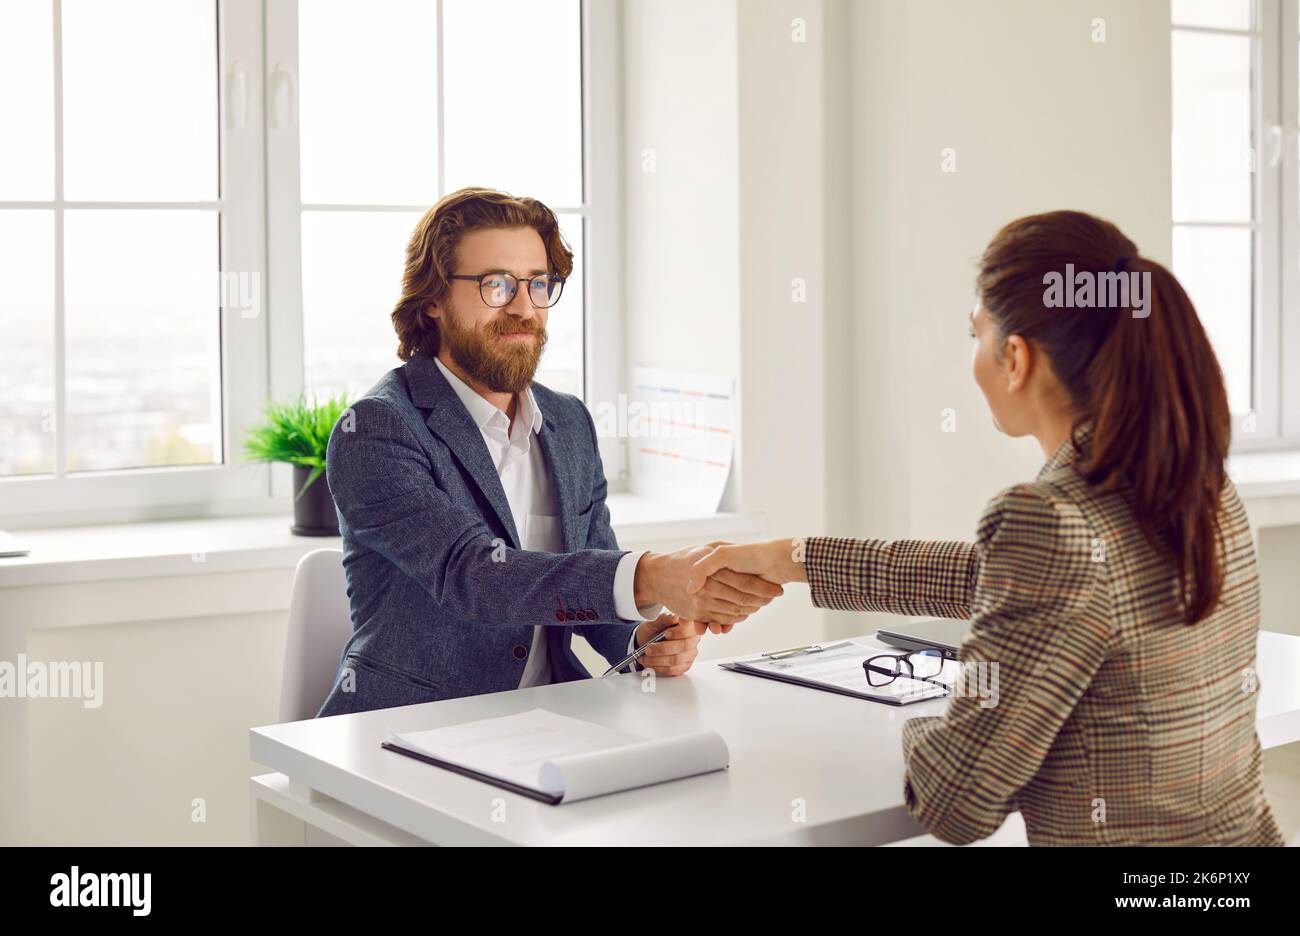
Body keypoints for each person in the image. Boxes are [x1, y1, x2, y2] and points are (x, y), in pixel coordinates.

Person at [688, 210, 1284, 846]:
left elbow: (956, 800)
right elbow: (1003, 577)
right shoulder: (1195, 483)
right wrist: (792, 557)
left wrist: (912, 719)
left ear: (1016, 358)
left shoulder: (1052, 523)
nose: (972, 358)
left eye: (976, 334)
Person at [318, 188, 781, 717]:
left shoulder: (569, 423)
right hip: (410, 728)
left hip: (551, 721)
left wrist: (640, 640)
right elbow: (475, 578)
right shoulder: (378, 430)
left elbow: (588, 583)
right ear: (434, 299)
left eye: (538, 284)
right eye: (496, 284)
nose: (524, 308)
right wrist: (651, 575)